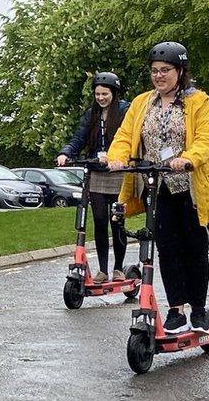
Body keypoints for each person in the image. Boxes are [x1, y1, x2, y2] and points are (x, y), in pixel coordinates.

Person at [107, 42, 209, 334]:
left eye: (165, 70)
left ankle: (198, 310)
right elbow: (126, 135)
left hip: (192, 187)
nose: (159, 76)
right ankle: (176, 309)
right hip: (158, 186)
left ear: (180, 71)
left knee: (196, 250)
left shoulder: (199, 102)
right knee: (167, 249)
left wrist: (187, 159)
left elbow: (207, 137)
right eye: (154, 71)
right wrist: (116, 158)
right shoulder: (142, 103)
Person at [57, 72, 130, 284]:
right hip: (97, 173)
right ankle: (103, 270)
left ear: (114, 93)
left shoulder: (124, 111)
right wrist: (65, 152)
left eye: (105, 94)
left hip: (118, 173)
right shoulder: (91, 114)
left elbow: (130, 138)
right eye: (97, 94)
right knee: (99, 221)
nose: (101, 98)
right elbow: (79, 138)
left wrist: (117, 157)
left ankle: (118, 268)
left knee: (117, 222)